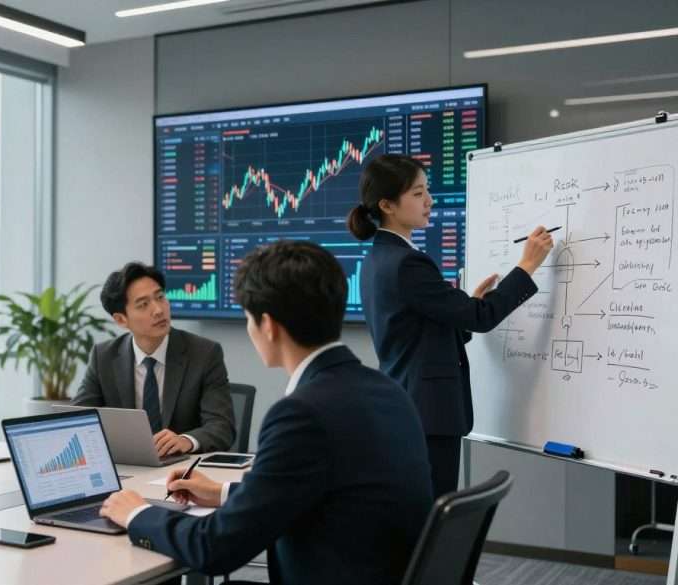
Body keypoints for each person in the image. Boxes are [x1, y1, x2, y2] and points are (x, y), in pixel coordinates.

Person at [100, 241, 433, 584]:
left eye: (248, 317)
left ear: (268, 326)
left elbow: (214, 548)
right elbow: (321, 487)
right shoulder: (388, 390)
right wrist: (225, 493)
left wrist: (137, 513)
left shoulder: (302, 414)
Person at [348, 153, 554, 497]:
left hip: (412, 408)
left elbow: (418, 331)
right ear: (388, 205)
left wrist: (466, 305)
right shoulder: (407, 263)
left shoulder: (378, 258)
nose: (429, 201)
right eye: (417, 194)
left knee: (422, 513)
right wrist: (527, 266)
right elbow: (481, 317)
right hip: (429, 414)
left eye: (426, 190)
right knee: (432, 517)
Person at [72, 262, 235, 457]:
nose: (158, 310)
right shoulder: (104, 357)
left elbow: (222, 426)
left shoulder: (204, 353)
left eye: (160, 297)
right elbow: (77, 420)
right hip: (130, 469)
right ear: (121, 320)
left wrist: (185, 440)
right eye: (143, 305)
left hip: (182, 470)